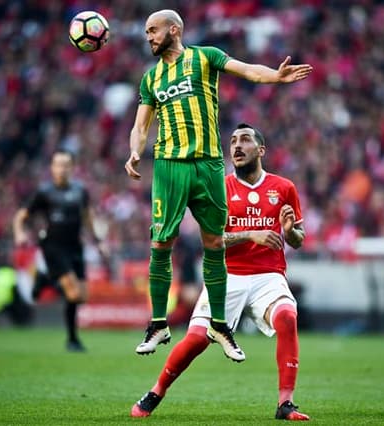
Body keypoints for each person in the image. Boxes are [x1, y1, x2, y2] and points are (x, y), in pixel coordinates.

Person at [124, 9, 313, 361]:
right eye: (146, 31)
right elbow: (141, 125)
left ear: (174, 30)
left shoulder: (205, 57)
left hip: (208, 162)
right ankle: (158, 323)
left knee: (213, 241)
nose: (148, 36)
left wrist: (274, 76)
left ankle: (221, 325)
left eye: (153, 30)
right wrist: (135, 152)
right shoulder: (151, 79)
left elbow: (247, 70)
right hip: (169, 164)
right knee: (161, 241)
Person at [131, 123, 310, 420]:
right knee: (197, 339)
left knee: (288, 317)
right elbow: (211, 240)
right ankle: (155, 392)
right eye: (233, 141)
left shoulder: (284, 188)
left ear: (261, 150)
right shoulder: (219, 187)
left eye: (245, 140)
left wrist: (290, 232)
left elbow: (299, 239)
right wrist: (252, 234)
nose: (237, 146)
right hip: (227, 276)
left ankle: (285, 403)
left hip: (269, 275)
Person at [13, 149, 108, 352]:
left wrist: (98, 240)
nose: (62, 169)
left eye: (66, 165)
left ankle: (45, 279)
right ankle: (72, 340)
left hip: (75, 246)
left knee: (81, 296)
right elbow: (21, 216)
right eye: (58, 165)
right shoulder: (44, 192)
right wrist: (19, 234)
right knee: (72, 293)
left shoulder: (80, 191)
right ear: (52, 168)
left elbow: (87, 216)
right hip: (53, 246)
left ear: (72, 168)